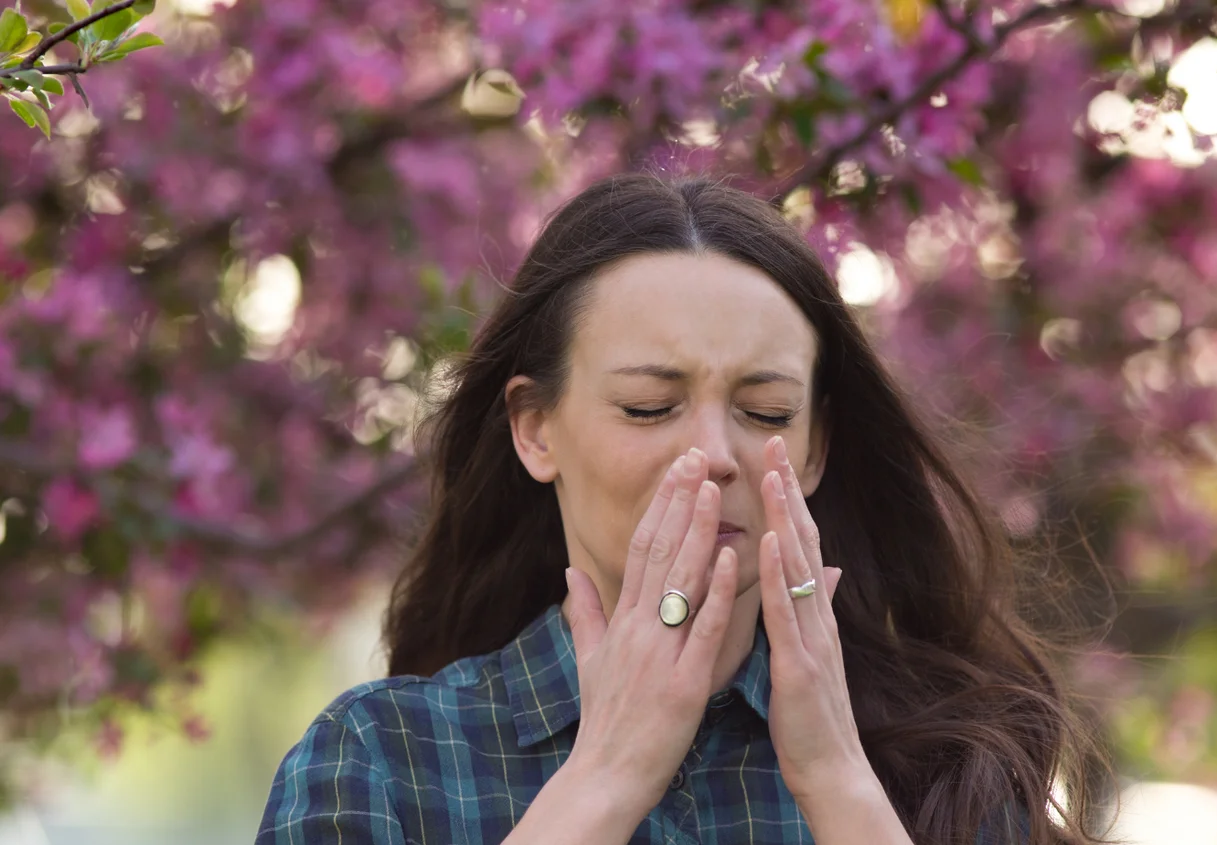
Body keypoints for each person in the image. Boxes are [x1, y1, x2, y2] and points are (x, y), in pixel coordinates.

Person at [254, 174, 1104, 844]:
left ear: (813, 448)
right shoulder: (381, 757)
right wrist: (606, 779)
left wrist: (841, 784)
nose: (714, 456)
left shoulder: (952, 762)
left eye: (766, 413)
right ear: (535, 428)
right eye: (650, 407)